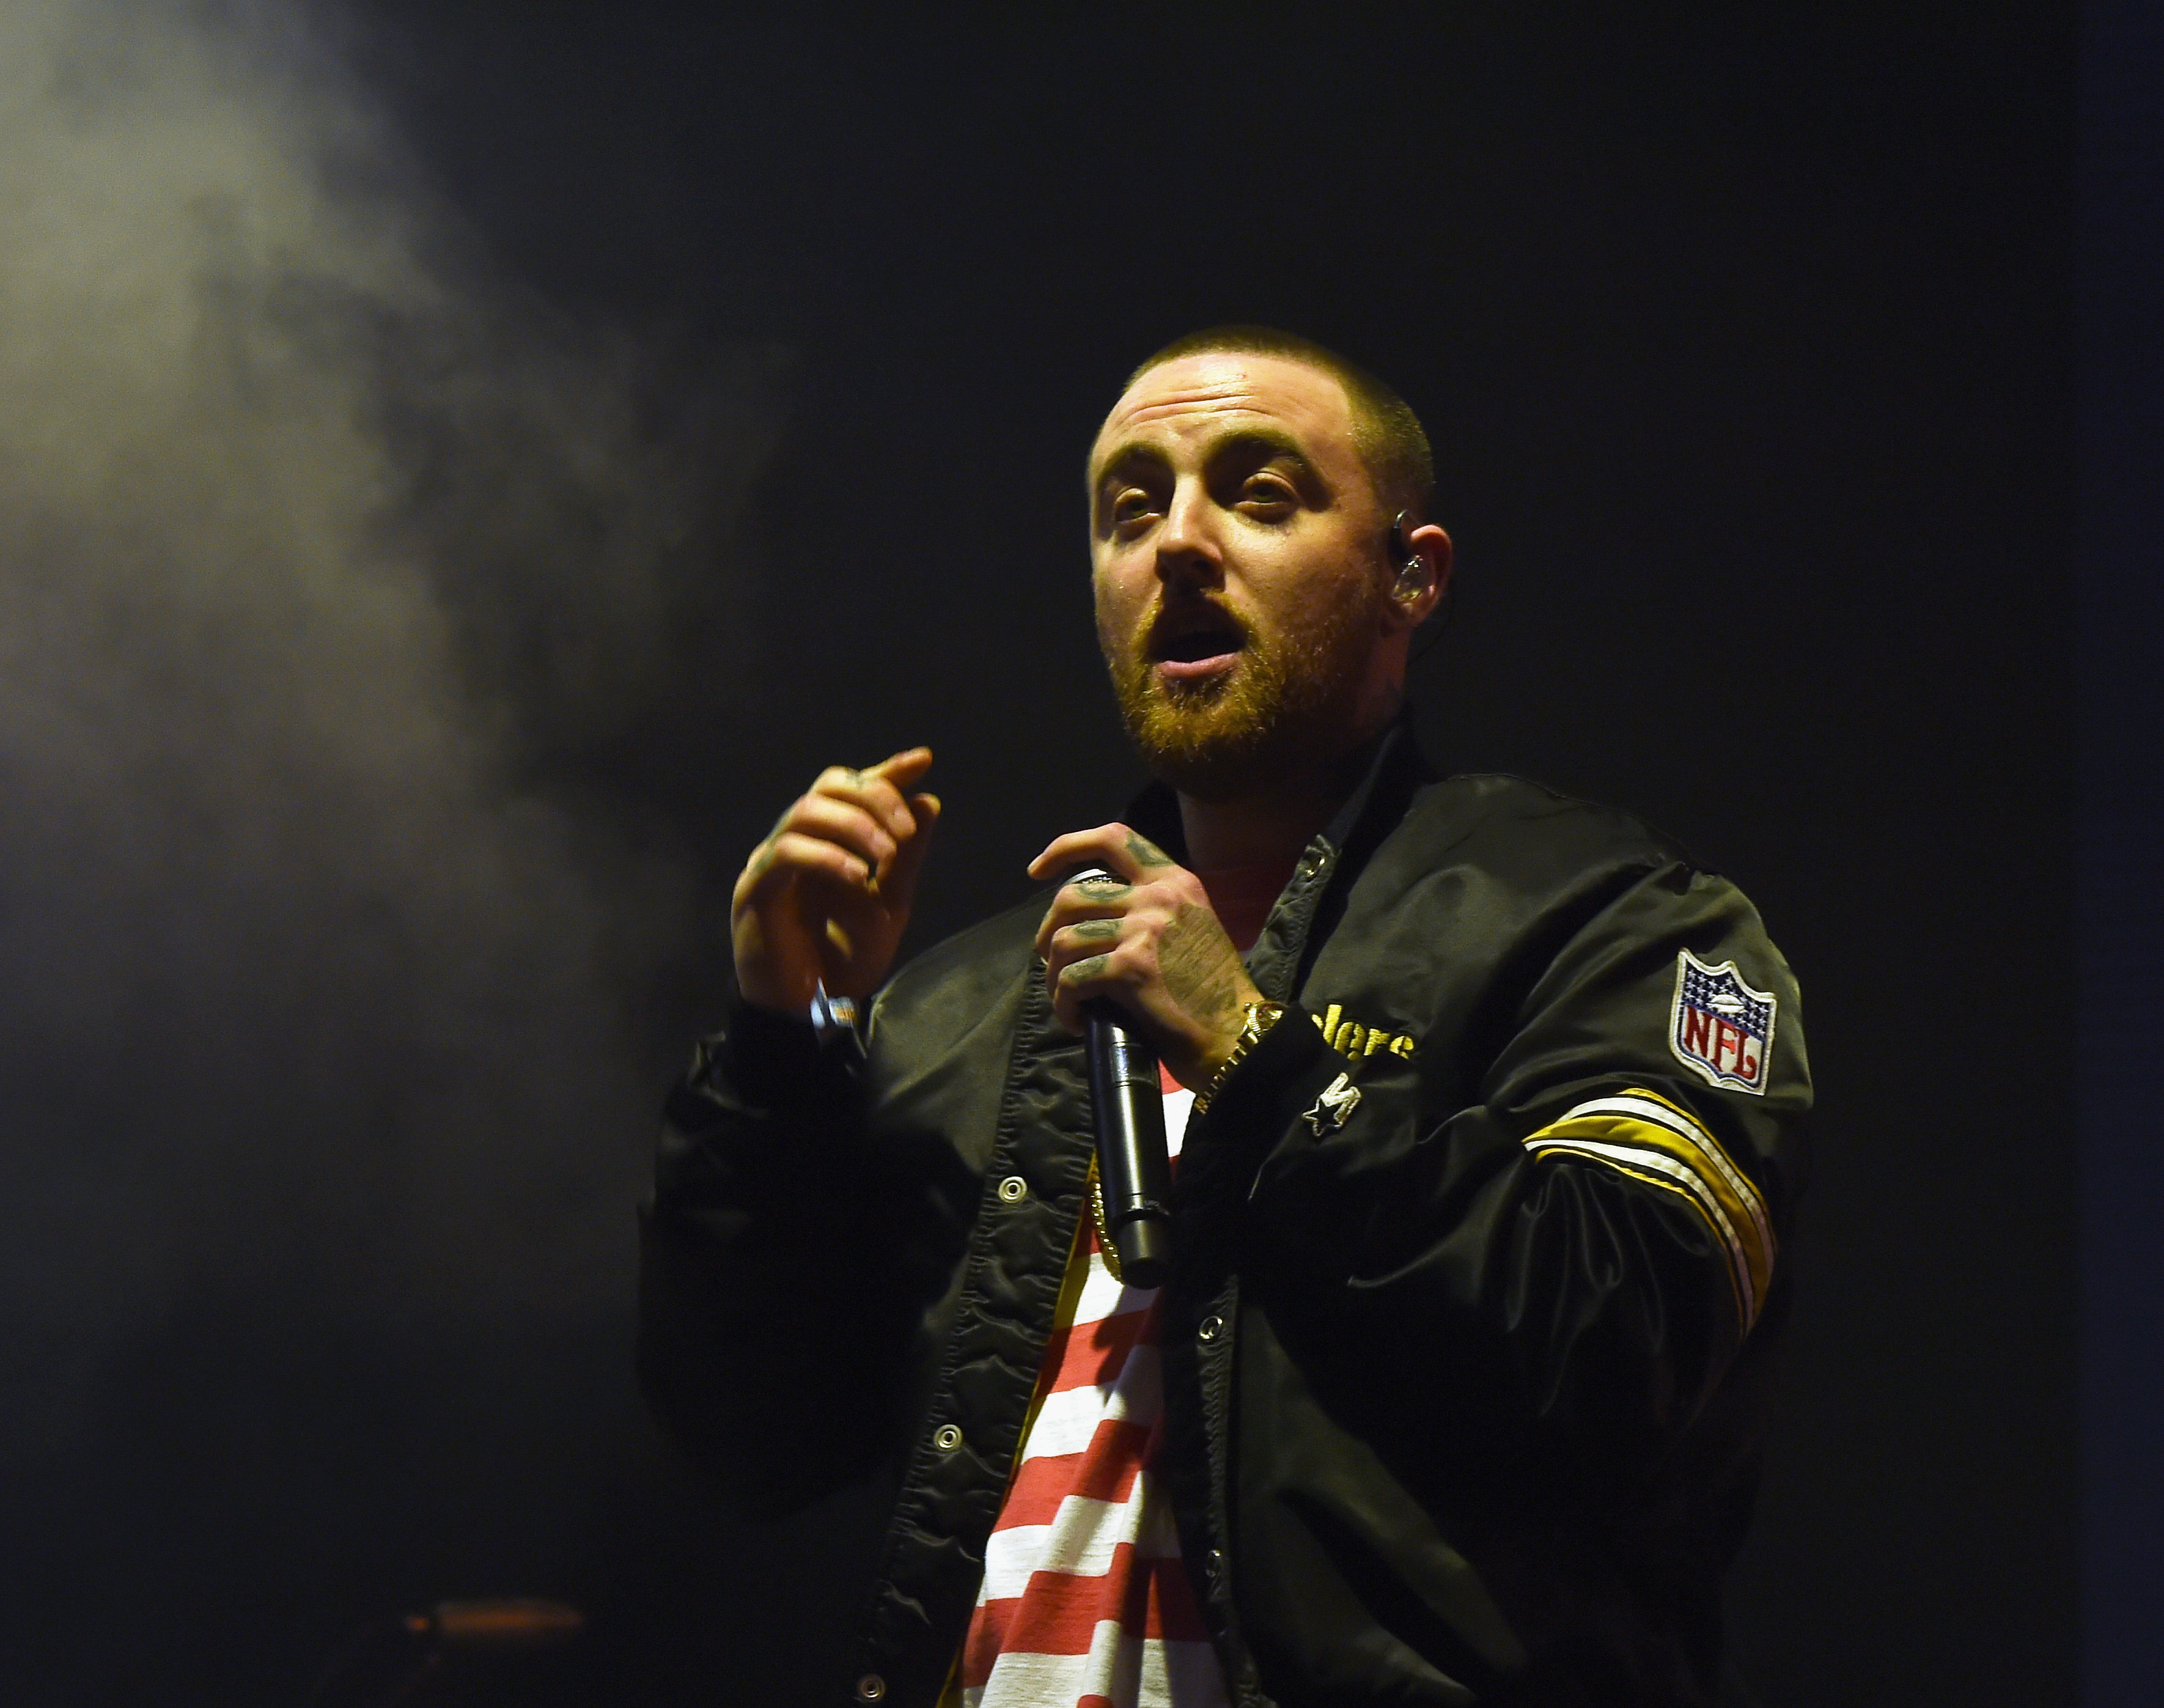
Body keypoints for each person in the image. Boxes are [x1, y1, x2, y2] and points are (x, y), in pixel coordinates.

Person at [639, 327, 1810, 1708]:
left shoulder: (1607, 918)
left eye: (1259, 493)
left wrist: (1255, 1054)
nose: (1177, 542)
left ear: (1410, 573)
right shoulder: (955, 1006)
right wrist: (787, 1045)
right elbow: (751, 1439)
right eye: (1128, 509)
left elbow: (1626, 1350)